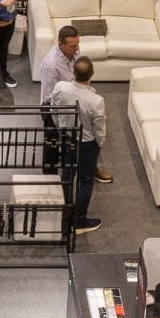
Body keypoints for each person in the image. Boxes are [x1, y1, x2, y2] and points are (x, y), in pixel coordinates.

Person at [52, 56, 109, 235]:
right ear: (92, 74)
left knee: (67, 175)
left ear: (73, 72)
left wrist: (60, 127)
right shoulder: (96, 100)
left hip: (67, 137)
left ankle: (64, 212)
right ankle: (79, 221)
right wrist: (99, 144)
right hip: (87, 144)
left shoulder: (60, 87)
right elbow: (99, 128)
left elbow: (54, 110)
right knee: (85, 181)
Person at [36, 24, 84, 103]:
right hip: (57, 107)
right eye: (72, 46)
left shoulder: (75, 50)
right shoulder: (51, 65)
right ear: (60, 44)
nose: (77, 48)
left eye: (77, 44)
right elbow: (48, 97)